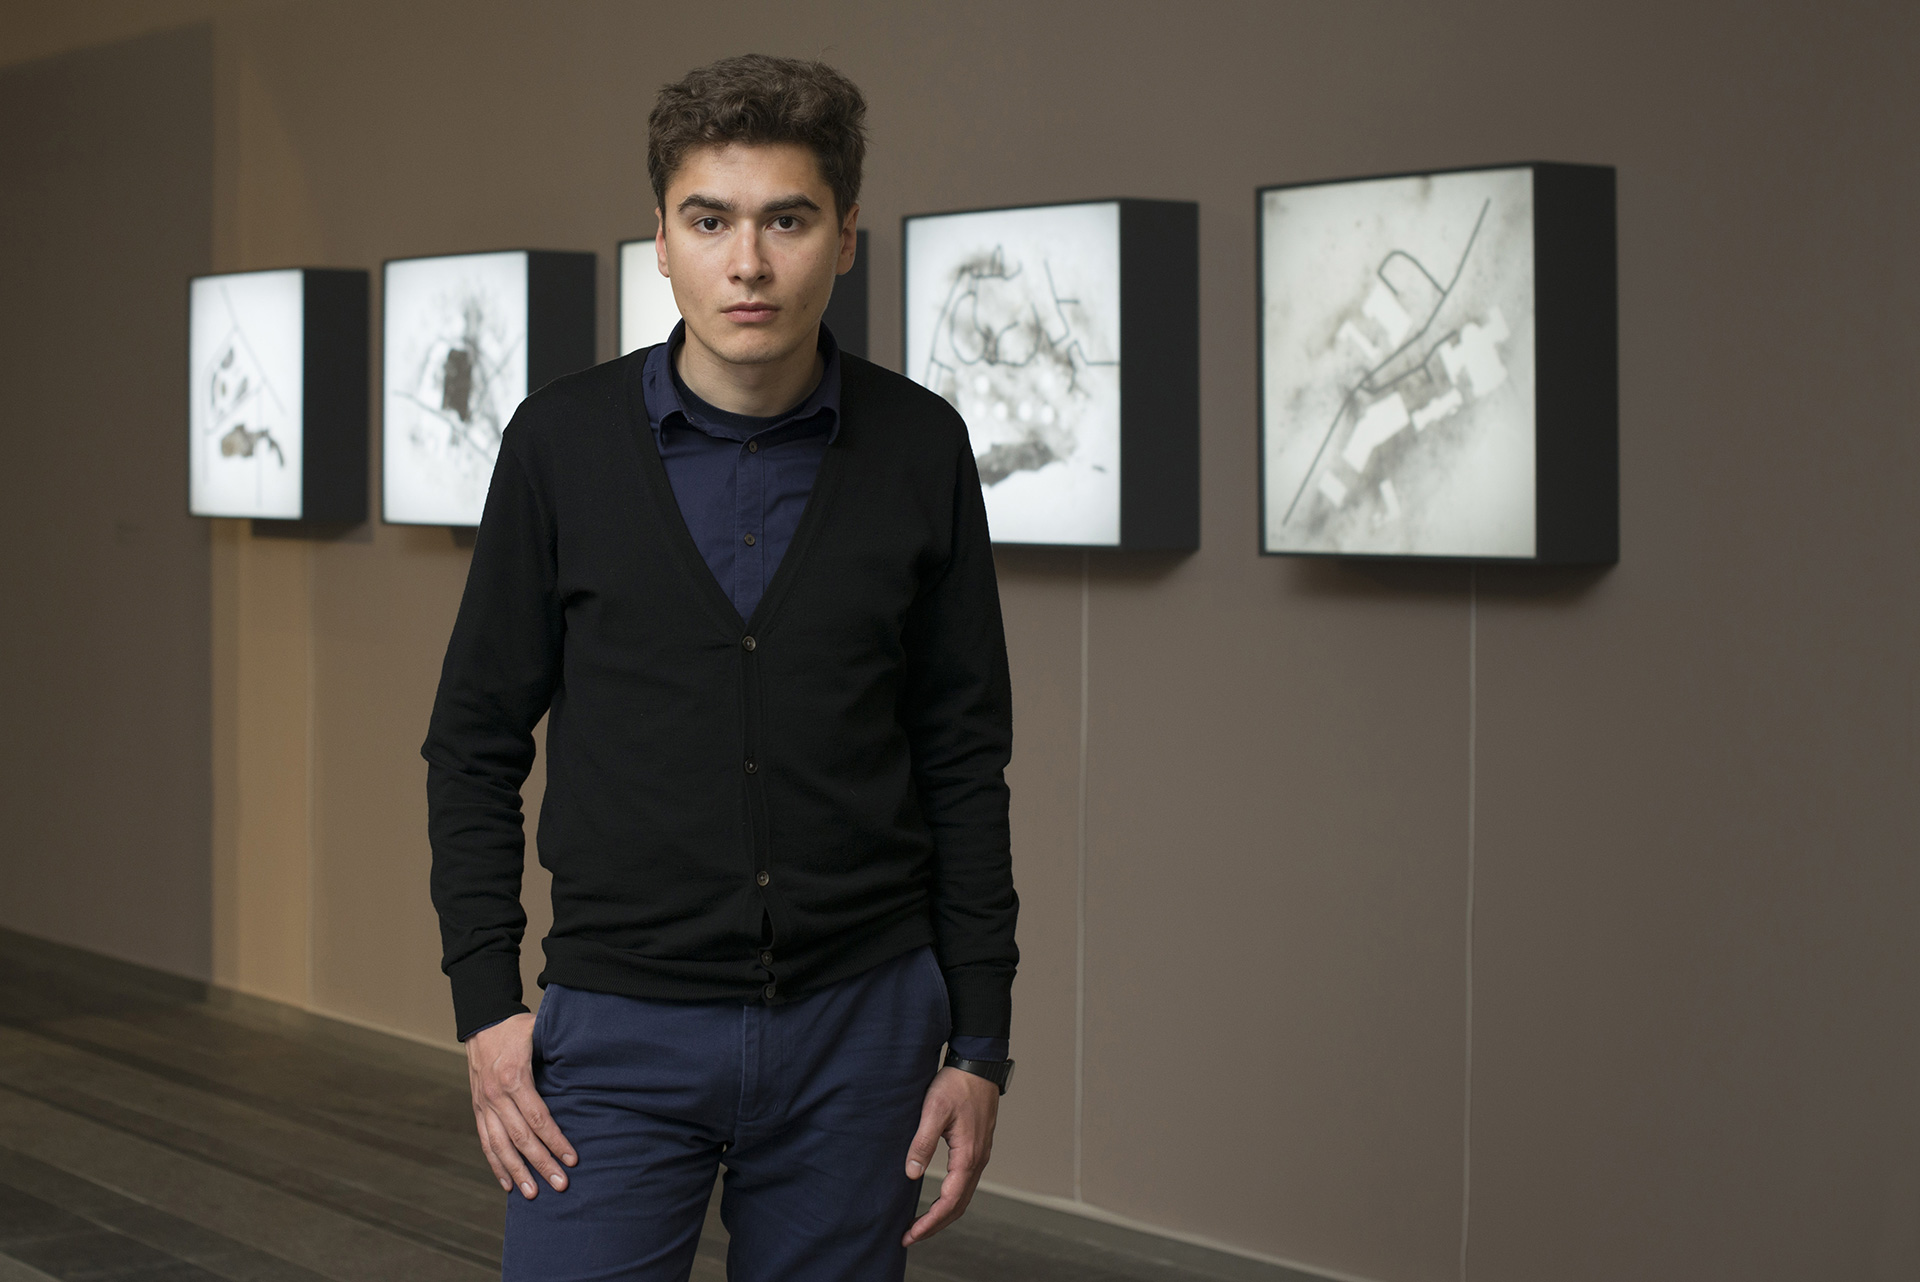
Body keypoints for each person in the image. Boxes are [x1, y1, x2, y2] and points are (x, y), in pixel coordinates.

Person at [423, 53, 1018, 1282]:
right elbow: (474, 741)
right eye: (710, 221)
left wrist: (978, 1041)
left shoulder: (921, 446)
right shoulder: (560, 446)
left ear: (845, 238)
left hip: (862, 1030)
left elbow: (963, 756)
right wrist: (486, 1003)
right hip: (615, 1029)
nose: (748, 262)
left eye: (787, 221)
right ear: (661, 240)